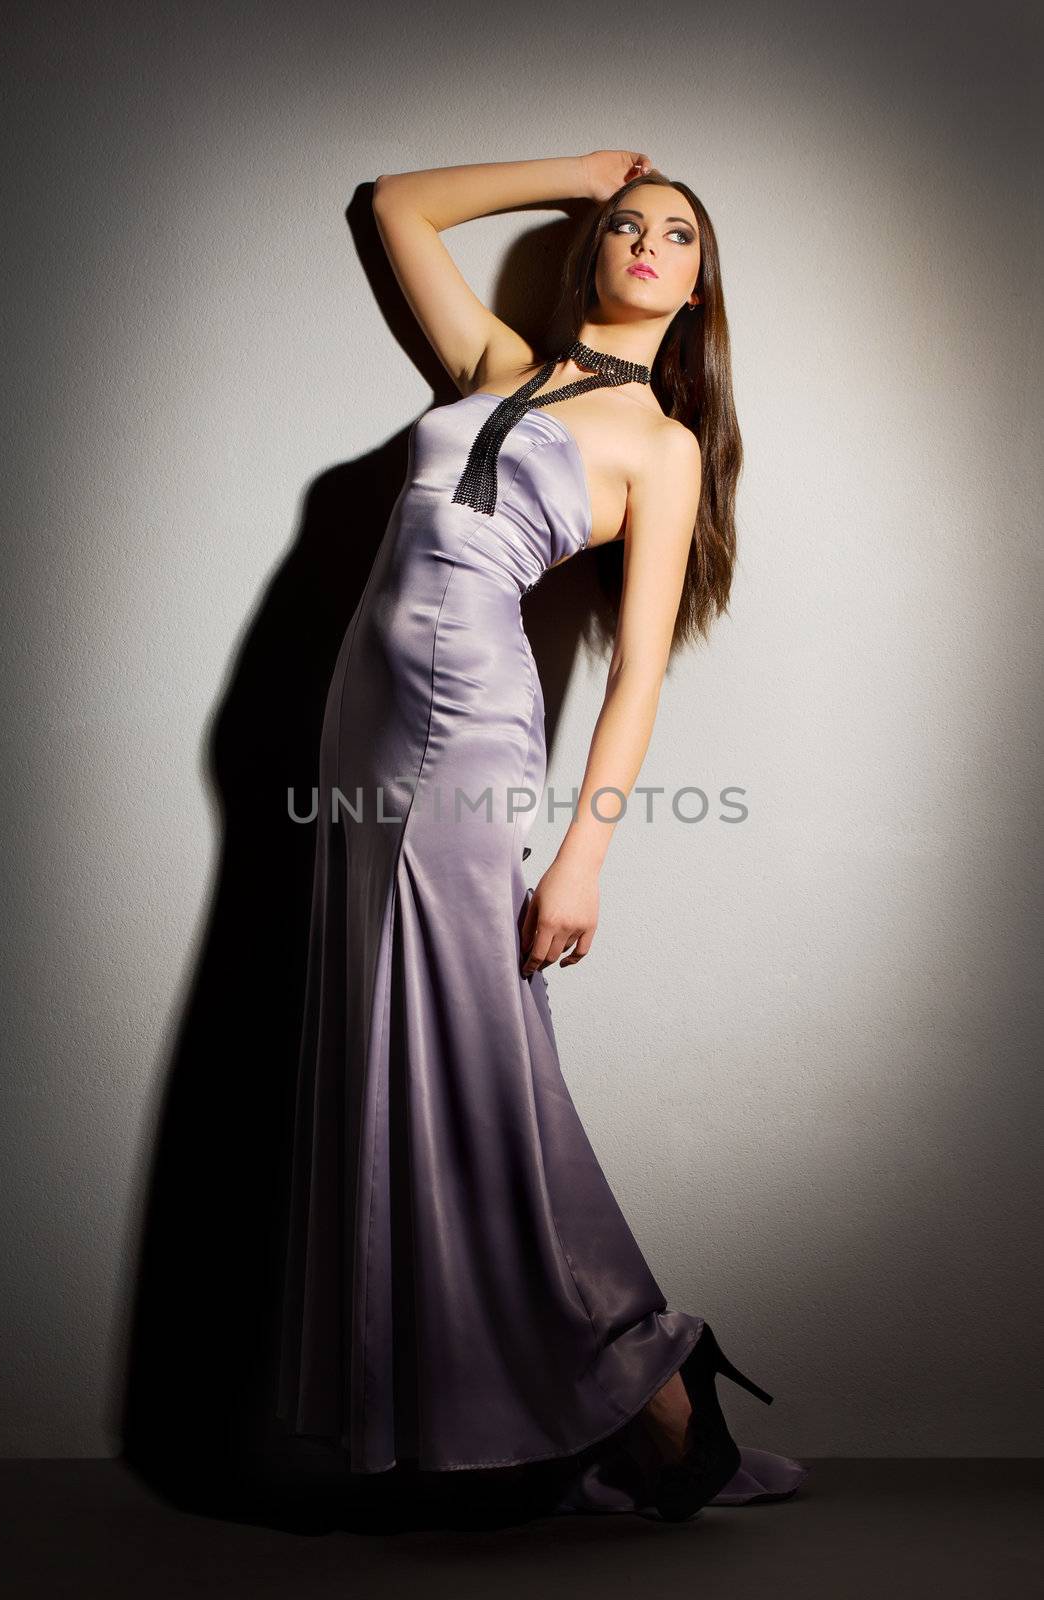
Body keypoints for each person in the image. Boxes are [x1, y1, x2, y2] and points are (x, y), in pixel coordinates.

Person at [274, 149, 809, 1522]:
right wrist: (580, 163)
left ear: (699, 289)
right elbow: (393, 203)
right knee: (392, 1060)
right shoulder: (497, 362)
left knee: (480, 1070)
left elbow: (636, 673)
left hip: (467, 729)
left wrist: (583, 855)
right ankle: (467, 1418)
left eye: (674, 234)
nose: (643, 240)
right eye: (626, 224)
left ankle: (655, 1393)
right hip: (358, 729)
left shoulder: (667, 446)